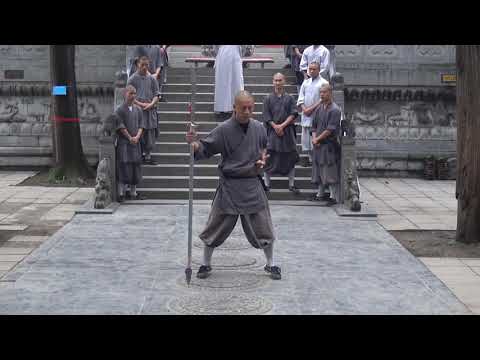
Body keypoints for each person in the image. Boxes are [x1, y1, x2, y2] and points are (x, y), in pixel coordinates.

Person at [186, 90, 282, 280]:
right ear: (234, 108)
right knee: (215, 226)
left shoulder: (259, 128)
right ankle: (206, 264)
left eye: (250, 108)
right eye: (243, 108)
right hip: (230, 186)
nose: (247, 111)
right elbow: (206, 147)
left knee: (264, 227)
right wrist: (194, 144)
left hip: (252, 184)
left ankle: (270, 264)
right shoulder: (224, 129)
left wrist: (262, 160)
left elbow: (264, 148)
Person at [262, 73, 300, 194]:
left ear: (284, 81)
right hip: (272, 132)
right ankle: (267, 184)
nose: (278, 83)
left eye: (280, 80)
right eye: (276, 80)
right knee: (269, 158)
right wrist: (275, 126)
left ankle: (291, 184)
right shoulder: (268, 98)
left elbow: (293, 114)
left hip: (287, 132)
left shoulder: (290, 98)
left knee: (290, 157)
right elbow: (266, 116)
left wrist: (282, 126)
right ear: (273, 82)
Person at [311, 84, 342, 205]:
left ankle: (333, 196)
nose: (322, 95)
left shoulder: (335, 110)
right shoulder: (319, 108)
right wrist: (315, 139)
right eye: (321, 93)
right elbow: (313, 126)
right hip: (318, 144)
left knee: (329, 169)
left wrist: (317, 139)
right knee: (318, 168)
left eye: (324, 92)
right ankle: (320, 193)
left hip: (329, 145)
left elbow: (330, 130)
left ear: (330, 93)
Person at [114, 85, 145, 202]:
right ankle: (121, 193)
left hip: (136, 143)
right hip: (124, 144)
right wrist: (129, 137)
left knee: (135, 167)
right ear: (125, 94)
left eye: (134, 93)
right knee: (124, 167)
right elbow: (120, 126)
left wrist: (137, 136)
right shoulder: (119, 110)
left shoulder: (138, 109)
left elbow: (142, 125)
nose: (133, 96)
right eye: (130, 93)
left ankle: (133, 192)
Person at [127, 55, 160, 165]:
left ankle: (148, 155)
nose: (145, 67)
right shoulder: (132, 79)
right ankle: (139, 154)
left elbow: (157, 94)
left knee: (150, 133)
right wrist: (140, 104)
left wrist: (151, 104)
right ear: (137, 65)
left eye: (147, 65)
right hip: (138, 111)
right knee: (138, 132)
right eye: (142, 65)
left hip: (150, 110)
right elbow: (129, 96)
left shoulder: (152, 79)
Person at [296, 61, 329, 167]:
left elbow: (323, 99)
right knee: (306, 138)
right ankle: (309, 158)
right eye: (310, 69)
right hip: (306, 114)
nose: (311, 71)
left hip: (317, 113)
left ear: (319, 70)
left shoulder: (324, 83)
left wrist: (311, 109)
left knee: (316, 135)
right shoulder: (305, 83)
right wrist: (304, 109)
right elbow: (301, 98)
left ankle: (315, 158)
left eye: (314, 69)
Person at [213, 45, 245, 120]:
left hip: (226, 53)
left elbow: (215, 48)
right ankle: (235, 105)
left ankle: (225, 106)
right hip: (231, 53)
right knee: (234, 82)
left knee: (231, 82)